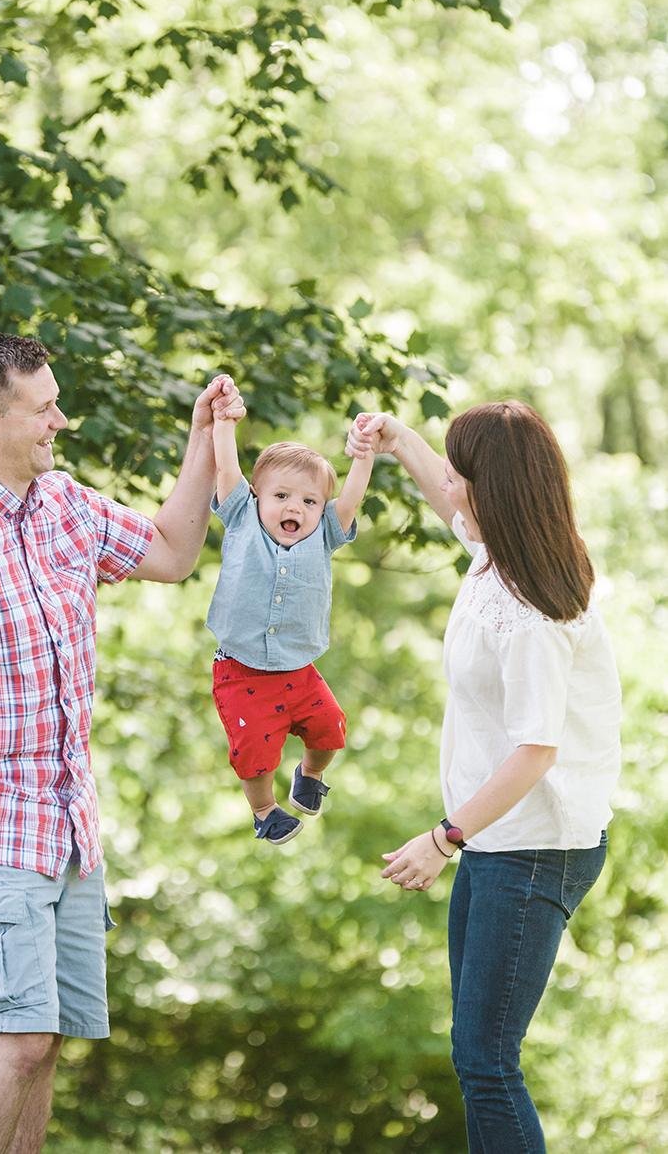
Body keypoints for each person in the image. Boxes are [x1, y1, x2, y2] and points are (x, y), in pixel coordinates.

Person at [0, 331, 243, 1154]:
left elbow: (172, 553)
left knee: (46, 1041)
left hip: (65, 825)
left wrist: (205, 439)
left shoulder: (65, 505)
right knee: (19, 1038)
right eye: (44, 408)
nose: (60, 421)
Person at [345, 401, 621, 1153]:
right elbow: (452, 507)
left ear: (490, 487)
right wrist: (397, 439)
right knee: (478, 1058)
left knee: (487, 1062)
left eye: (457, 470)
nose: (447, 481)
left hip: (532, 847)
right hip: (498, 841)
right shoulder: (499, 552)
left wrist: (443, 838)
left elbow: (537, 751)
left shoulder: (532, 615)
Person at [207, 384, 376, 844]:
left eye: (309, 501)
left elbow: (351, 498)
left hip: (299, 669)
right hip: (241, 670)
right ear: (256, 495)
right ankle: (265, 811)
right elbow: (226, 468)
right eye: (281, 495)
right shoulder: (241, 516)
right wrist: (224, 423)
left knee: (331, 728)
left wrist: (364, 455)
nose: (294, 508)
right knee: (255, 751)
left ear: (321, 510)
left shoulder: (324, 535)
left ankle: (310, 775)